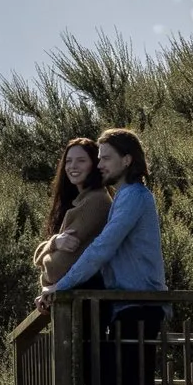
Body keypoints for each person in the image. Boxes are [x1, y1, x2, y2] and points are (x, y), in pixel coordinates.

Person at [41, 127, 164, 303]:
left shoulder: (134, 196)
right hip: (127, 302)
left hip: (140, 304)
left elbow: (102, 248)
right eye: (99, 159)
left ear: (126, 160)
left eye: (106, 158)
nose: (100, 165)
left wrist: (60, 286)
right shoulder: (124, 196)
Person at [34, 137, 111, 289]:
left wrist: (46, 282)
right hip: (80, 299)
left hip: (90, 301)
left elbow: (55, 270)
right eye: (68, 161)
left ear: (94, 165)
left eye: (81, 160)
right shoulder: (80, 201)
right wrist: (55, 242)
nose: (73, 166)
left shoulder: (96, 202)